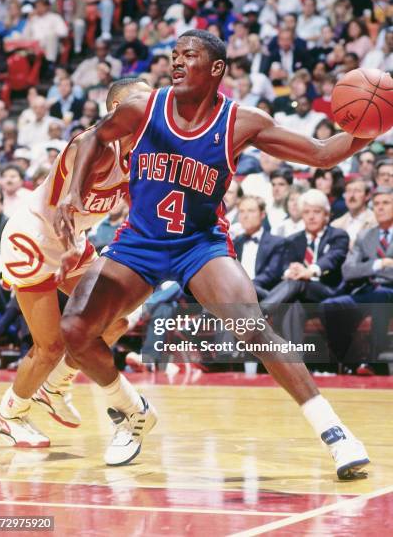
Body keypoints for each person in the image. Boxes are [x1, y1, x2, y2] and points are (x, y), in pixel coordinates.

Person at [55, 30, 375, 480]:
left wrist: (370, 127)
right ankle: (130, 410)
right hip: (140, 240)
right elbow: (91, 139)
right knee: (74, 328)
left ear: (217, 69)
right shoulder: (144, 107)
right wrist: (72, 194)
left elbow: (322, 154)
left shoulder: (242, 120)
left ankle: (336, 433)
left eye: (190, 55)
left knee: (252, 329)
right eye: (174, 56)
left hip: (198, 244)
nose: (178, 62)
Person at [0, 79, 157, 463]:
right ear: (117, 109)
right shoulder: (95, 144)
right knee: (50, 346)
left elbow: (139, 211)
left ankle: (56, 387)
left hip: (72, 244)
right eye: (141, 98)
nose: (151, 105)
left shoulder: (136, 156)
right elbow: (85, 145)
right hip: (33, 239)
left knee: (117, 319)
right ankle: (9, 414)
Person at [261, 189, 349, 343]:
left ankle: (260, 312)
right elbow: (284, 266)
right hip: (300, 294)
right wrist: (290, 271)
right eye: (307, 212)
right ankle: (294, 362)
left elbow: (333, 259)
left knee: (298, 282)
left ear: (326, 215)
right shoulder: (293, 239)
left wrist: (309, 271)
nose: (311, 216)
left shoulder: (338, 235)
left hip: (327, 290)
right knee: (293, 306)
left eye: (317, 211)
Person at [320, 187, 393, 371]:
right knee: (329, 305)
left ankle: (375, 363)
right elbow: (348, 271)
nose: (380, 208)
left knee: (382, 296)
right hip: (367, 291)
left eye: (386, 203)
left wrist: (367, 269)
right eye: (376, 204)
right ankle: (347, 363)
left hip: (388, 291)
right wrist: (379, 264)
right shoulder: (365, 235)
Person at [234, 196, 285, 299]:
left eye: (251, 211)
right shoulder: (234, 243)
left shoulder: (277, 242)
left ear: (262, 215)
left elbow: (271, 274)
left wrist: (247, 285)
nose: (245, 216)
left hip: (262, 294)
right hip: (235, 292)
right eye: (242, 211)